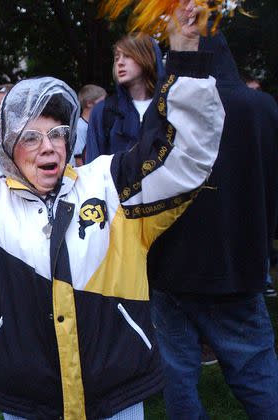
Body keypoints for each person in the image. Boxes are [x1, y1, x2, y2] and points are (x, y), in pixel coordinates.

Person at [0, 2, 224, 417]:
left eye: (56, 133)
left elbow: (184, 156)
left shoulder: (109, 183)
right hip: (29, 399)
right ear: (8, 149)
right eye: (31, 137)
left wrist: (186, 51)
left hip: (116, 393)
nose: (48, 145)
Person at [147, 29, 278, 419]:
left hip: (175, 266)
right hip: (239, 261)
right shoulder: (264, 108)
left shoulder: (169, 108)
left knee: (178, 372)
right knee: (255, 369)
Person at [85, 32, 163, 163]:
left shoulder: (169, 108)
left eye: (127, 56)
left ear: (147, 57)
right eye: (116, 58)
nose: (120, 63)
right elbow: (92, 168)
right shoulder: (104, 111)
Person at [70, 84, 106, 166]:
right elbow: (79, 159)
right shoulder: (79, 127)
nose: (105, 105)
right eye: (102, 102)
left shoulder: (95, 125)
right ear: (89, 103)